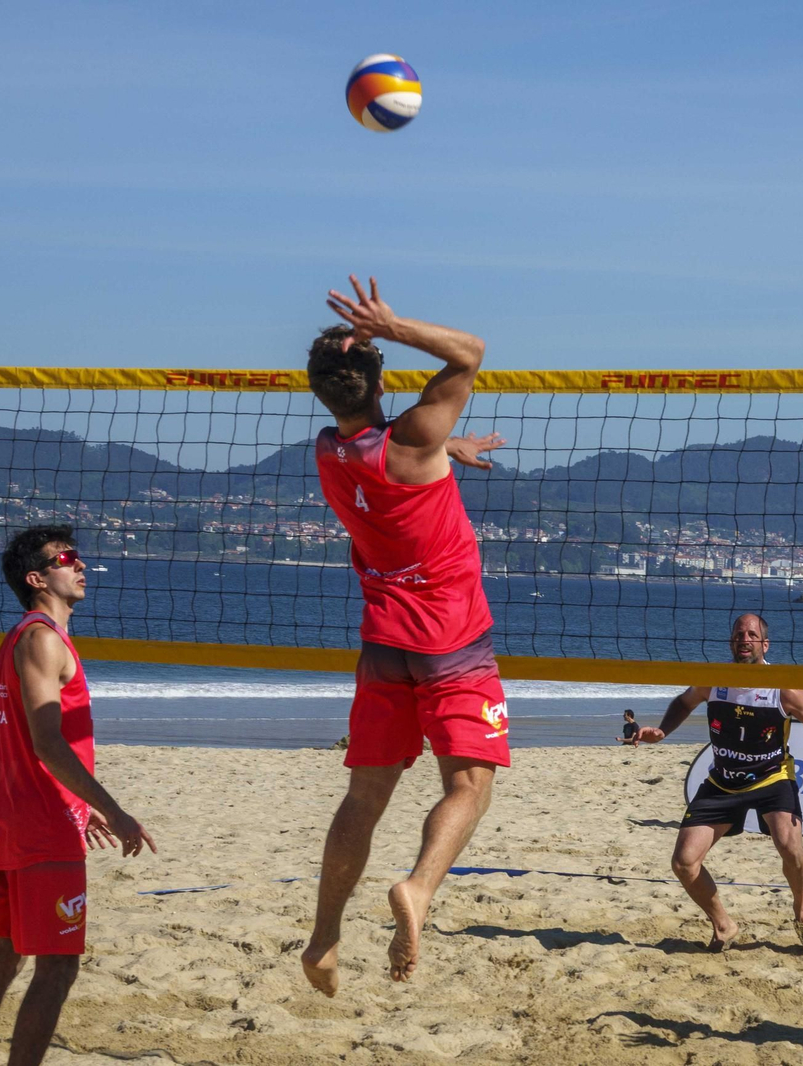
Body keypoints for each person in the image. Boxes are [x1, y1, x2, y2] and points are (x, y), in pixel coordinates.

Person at [301, 275, 510, 997]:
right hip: (449, 639)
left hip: (383, 644)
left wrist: (448, 451)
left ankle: (324, 938)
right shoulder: (419, 436)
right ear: (377, 377)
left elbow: (392, 454)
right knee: (469, 785)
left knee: (364, 799)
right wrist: (388, 324)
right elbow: (470, 353)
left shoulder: (330, 452)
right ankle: (419, 888)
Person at [0, 525, 156, 1066]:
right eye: (66, 558)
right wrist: (116, 810)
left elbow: (28, 741)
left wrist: (80, 804)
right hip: (39, 831)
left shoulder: (23, 636)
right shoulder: (42, 638)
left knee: (2, 959)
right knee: (58, 966)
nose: (80, 564)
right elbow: (46, 743)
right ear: (37, 577)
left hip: (10, 822)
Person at [636, 612, 803, 949]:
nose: (745, 639)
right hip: (723, 781)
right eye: (739, 634)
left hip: (772, 778)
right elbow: (683, 703)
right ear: (732, 642)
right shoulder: (712, 680)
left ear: (764, 644)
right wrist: (662, 730)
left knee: (789, 845)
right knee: (684, 863)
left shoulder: (783, 688)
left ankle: (801, 908)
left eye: (752, 634)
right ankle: (724, 925)